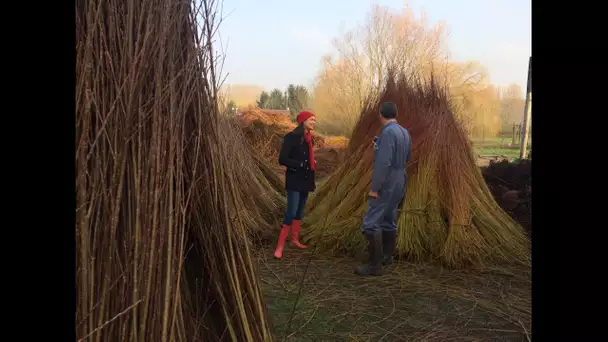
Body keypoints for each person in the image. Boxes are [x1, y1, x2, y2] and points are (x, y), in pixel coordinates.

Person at [355, 102, 412, 276]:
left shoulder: (387, 133)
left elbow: (382, 164)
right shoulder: (404, 132)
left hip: (387, 180)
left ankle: (374, 266)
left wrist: (375, 188)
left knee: (371, 223)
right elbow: (407, 156)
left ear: (380, 114)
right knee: (389, 217)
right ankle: (387, 256)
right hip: (400, 177)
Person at [274, 110, 318, 259]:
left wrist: (312, 162)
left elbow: (308, 157)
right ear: (303, 121)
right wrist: (300, 164)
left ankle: (294, 240)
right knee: (291, 211)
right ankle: (279, 247)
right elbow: (282, 159)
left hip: (306, 179)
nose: (314, 122)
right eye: (311, 119)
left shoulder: (309, 139)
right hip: (294, 179)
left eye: (314, 120)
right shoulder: (291, 137)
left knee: (299, 211)